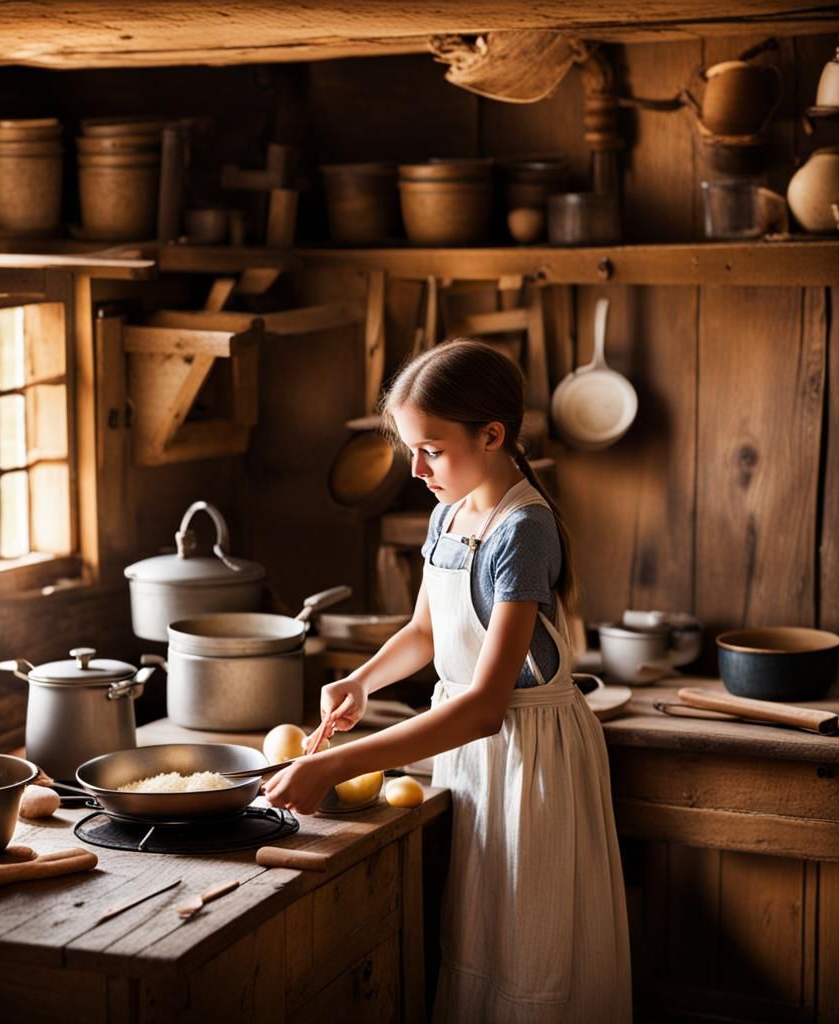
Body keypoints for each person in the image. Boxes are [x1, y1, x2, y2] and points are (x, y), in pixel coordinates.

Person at [262, 339, 632, 1023]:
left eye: (430, 448)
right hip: (472, 753)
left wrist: (338, 762)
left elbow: (488, 706)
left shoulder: (522, 530)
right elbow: (425, 635)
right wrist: (363, 683)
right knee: (481, 941)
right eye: (410, 448)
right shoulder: (449, 511)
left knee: (532, 949)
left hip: (528, 759)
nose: (415, 467)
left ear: (493, 435)